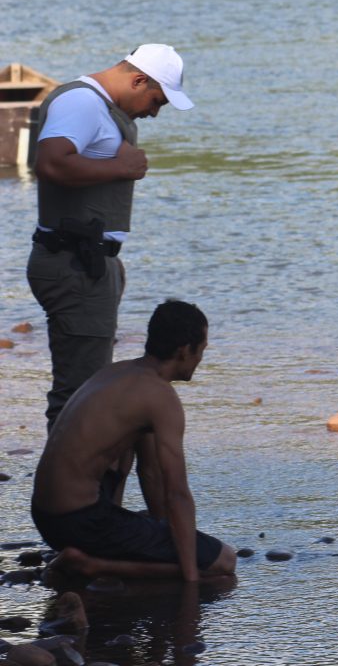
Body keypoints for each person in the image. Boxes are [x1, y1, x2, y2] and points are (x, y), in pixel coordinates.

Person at [27, 44, 194, 429]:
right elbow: (51, 163)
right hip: (74, 264)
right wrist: (120, 167)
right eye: (157, 101)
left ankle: (76, 484)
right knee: (80, 394)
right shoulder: (82, 104)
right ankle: (72, 488)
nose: (153, 113)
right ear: (138, 80)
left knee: (84, 387)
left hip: (85, 261)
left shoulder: (94, 105)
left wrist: (110, 261)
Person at [31, 300, 236, 582]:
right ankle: (93, 565)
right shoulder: (161, 397)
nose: (201, 358)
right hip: (80, 521)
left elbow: (150, 472)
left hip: (45, 514)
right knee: (224, 561)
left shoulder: (117, 373)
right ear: (184, 350)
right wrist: (191, 575)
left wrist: (162, 531)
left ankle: (101, 551)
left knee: (131, 460)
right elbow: (177, 493)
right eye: (201, 350)